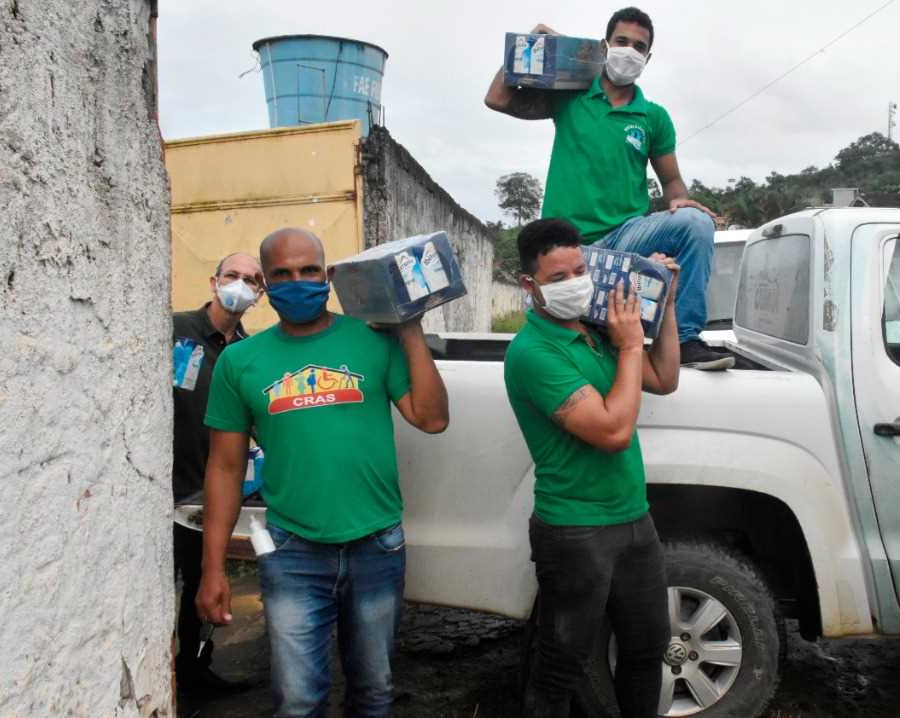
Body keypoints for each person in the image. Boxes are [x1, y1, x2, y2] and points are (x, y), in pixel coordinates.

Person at [195, 228, 449, 717]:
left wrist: (411, 329)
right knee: (296, 700)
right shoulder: (240, 361)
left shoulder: (372, 340)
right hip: (292, 552)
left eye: (309, 271)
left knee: (374, 693)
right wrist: (213, 567)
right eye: (284, 274)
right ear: (266, 285)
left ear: (327, 275)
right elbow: (225, 468)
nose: (299, 282)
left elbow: (432, 419)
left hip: (377, 544)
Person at [486, 7, 733, 371]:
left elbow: (672, 182)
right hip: (568, 249)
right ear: (604, 46)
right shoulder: (571, 94)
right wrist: (530, 46)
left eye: (639, 46)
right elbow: (497, 99)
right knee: (567, 341)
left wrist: (680, 199)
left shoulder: (654, 117)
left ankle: (686, 340)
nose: (629, 51)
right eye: (622, 41)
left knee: (696, 223)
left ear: (647, 58)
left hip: (625, 239)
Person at [504, 218, 680, 717]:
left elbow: (664, 378)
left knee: (647, 650)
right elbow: (612, 431)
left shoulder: (597, 332)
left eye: (580, 270)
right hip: (575, 532)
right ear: (529, 285)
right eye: (558, 278)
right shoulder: (532, 354)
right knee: (561, 667)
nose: (575, 283)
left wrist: (663, 304)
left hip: (633, 520)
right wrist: (629, 345)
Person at [172, 252, 263, 696]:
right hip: (161, 479)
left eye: (251, 280)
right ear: (214, 281)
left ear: (259, 295)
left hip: (207, 487)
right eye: (233, 276)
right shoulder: (174, 329)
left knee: (200, 580)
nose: (240, 285)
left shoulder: (248, 352)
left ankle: (192, 671)